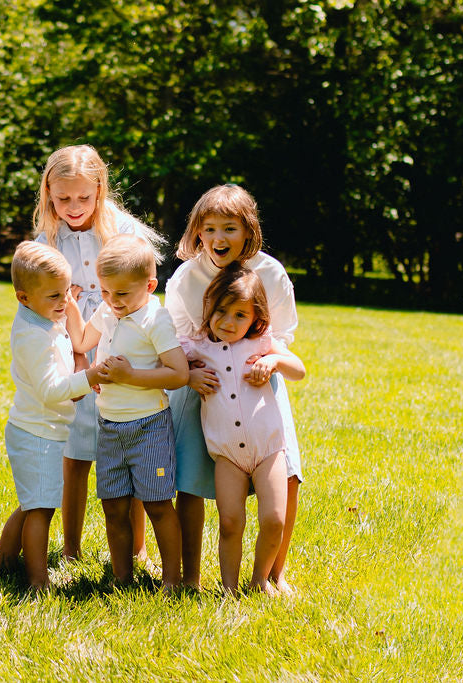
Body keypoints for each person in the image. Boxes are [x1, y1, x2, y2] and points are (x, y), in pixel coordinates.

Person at [164, 184, 303, 594]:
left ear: (248, 232)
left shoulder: (270, 272)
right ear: (197, 233)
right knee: (190, 478)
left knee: (288, 474)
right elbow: (175, 339)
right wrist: (190, 374)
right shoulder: (187, 276)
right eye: (210, 229)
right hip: (201, 382)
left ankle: (274, 574)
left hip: (258, 380)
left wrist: (266, 364)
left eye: (230, 228)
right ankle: (191, 576)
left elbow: (282, 337)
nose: (219, 238)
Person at [33, 144, 164, 566]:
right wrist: (70, 358)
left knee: (132, 446)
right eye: (63, 197)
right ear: (49, 193)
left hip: (124, 353)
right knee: (75, 453)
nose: (73, 206)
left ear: (100, 190)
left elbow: (146, 293)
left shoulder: (124, 231)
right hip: (70, 354)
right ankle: (71, 549)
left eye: (83, 198)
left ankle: (137, 547)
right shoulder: (47, 240)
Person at [65, 234, 189, 589]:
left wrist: (129, 375)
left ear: (149, 285)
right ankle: (121, 579)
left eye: (122, 294)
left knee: (157, 504)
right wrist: (74, 308)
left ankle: (172, 580)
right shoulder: (108, 310)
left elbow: (179, 373)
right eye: (105, 292)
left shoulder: (155, 319)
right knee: (114, 505)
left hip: (148, 426)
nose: (112, 301)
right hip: (109, 426)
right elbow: (83, 342)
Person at [0, 242, 104, 589]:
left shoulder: (44, 319)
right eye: (54, 296)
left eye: (67, 293)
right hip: (36, 433)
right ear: (24, 298)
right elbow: (51, 390)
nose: (64, 303)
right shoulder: (33, 336)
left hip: (44, 430)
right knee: (41, 508)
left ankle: (5, 559)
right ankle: (38, 579)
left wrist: (67, 309)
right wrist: (90, 378)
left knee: (33, 502)